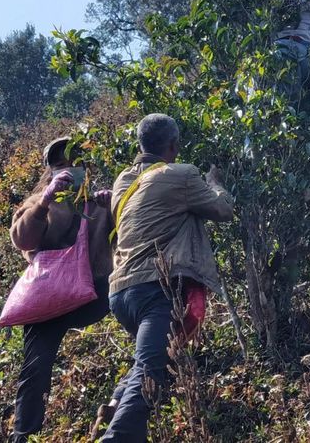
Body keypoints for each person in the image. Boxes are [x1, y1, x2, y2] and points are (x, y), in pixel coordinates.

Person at [99, 113, 234, 442]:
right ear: (174, 145)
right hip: (155, 289)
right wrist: (215, 181)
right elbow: (223, 211)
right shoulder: (183, 175)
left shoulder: (122, 182)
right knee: (151, 370)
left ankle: (117, 400)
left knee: (150, 356)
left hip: (120, 294)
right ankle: (118, 437)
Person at [8, 136, 114, 442]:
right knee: (36, 369)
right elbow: (23, 240)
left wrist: (114, 206)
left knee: (137, 310)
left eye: (74, 163)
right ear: (49, 172)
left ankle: (128, 399)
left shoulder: (98, 200)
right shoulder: (37, 201)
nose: (67, 169)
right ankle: (23, 435)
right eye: (59, 165)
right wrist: (45, 202)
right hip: (49, 298)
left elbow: (126, 239)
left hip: (94, 292)